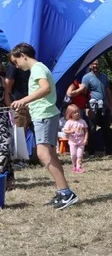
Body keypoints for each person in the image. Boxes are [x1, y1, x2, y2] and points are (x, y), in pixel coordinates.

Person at [8, 43, 77, 209]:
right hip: (46, 115)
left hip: (44, 116)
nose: (16, 65)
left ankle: (67, 193)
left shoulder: (38, 68)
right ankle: (63, 192)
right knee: (51, 154)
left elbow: (45, 89)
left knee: (42, 154)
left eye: (16, 61)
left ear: (23, 56)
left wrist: (24, 100)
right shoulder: (38, 69)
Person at [62, 104, 89, 173]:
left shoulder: (82, 121)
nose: (77, 114)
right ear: (70, 114)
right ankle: (74, 165)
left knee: (79, 155)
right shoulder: (69, 122)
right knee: (73, 155)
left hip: (81, 142)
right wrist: (70, 131)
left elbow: (86, 131)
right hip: (72, 142)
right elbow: (65, 130)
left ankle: (79, 167)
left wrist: (85, 139)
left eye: (78, 112)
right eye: (75, 112)